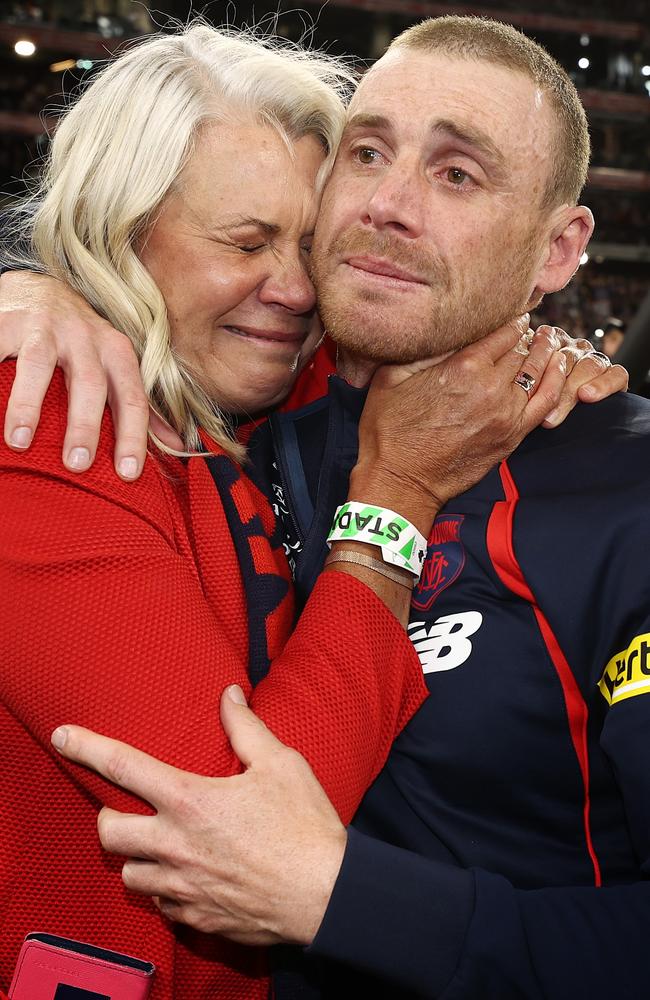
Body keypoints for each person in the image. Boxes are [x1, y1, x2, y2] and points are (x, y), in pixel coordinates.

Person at [0, 14, 633, 1000]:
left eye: (303, 238)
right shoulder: (57, 415)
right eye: (246, 241)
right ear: (117, 238)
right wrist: (393, 498)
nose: (296, 288)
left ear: (559, 248)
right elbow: (232, 817)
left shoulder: (284, 400)